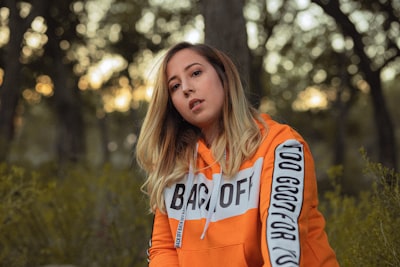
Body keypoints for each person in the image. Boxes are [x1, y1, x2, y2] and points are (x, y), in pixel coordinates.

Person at [135, 41, 339, 267]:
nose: (186, 88)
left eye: (195, 73)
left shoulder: (280, 145)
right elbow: (164, 249)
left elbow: (281, 248)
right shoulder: (174, 167)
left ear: (224, 76)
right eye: (174, 86)